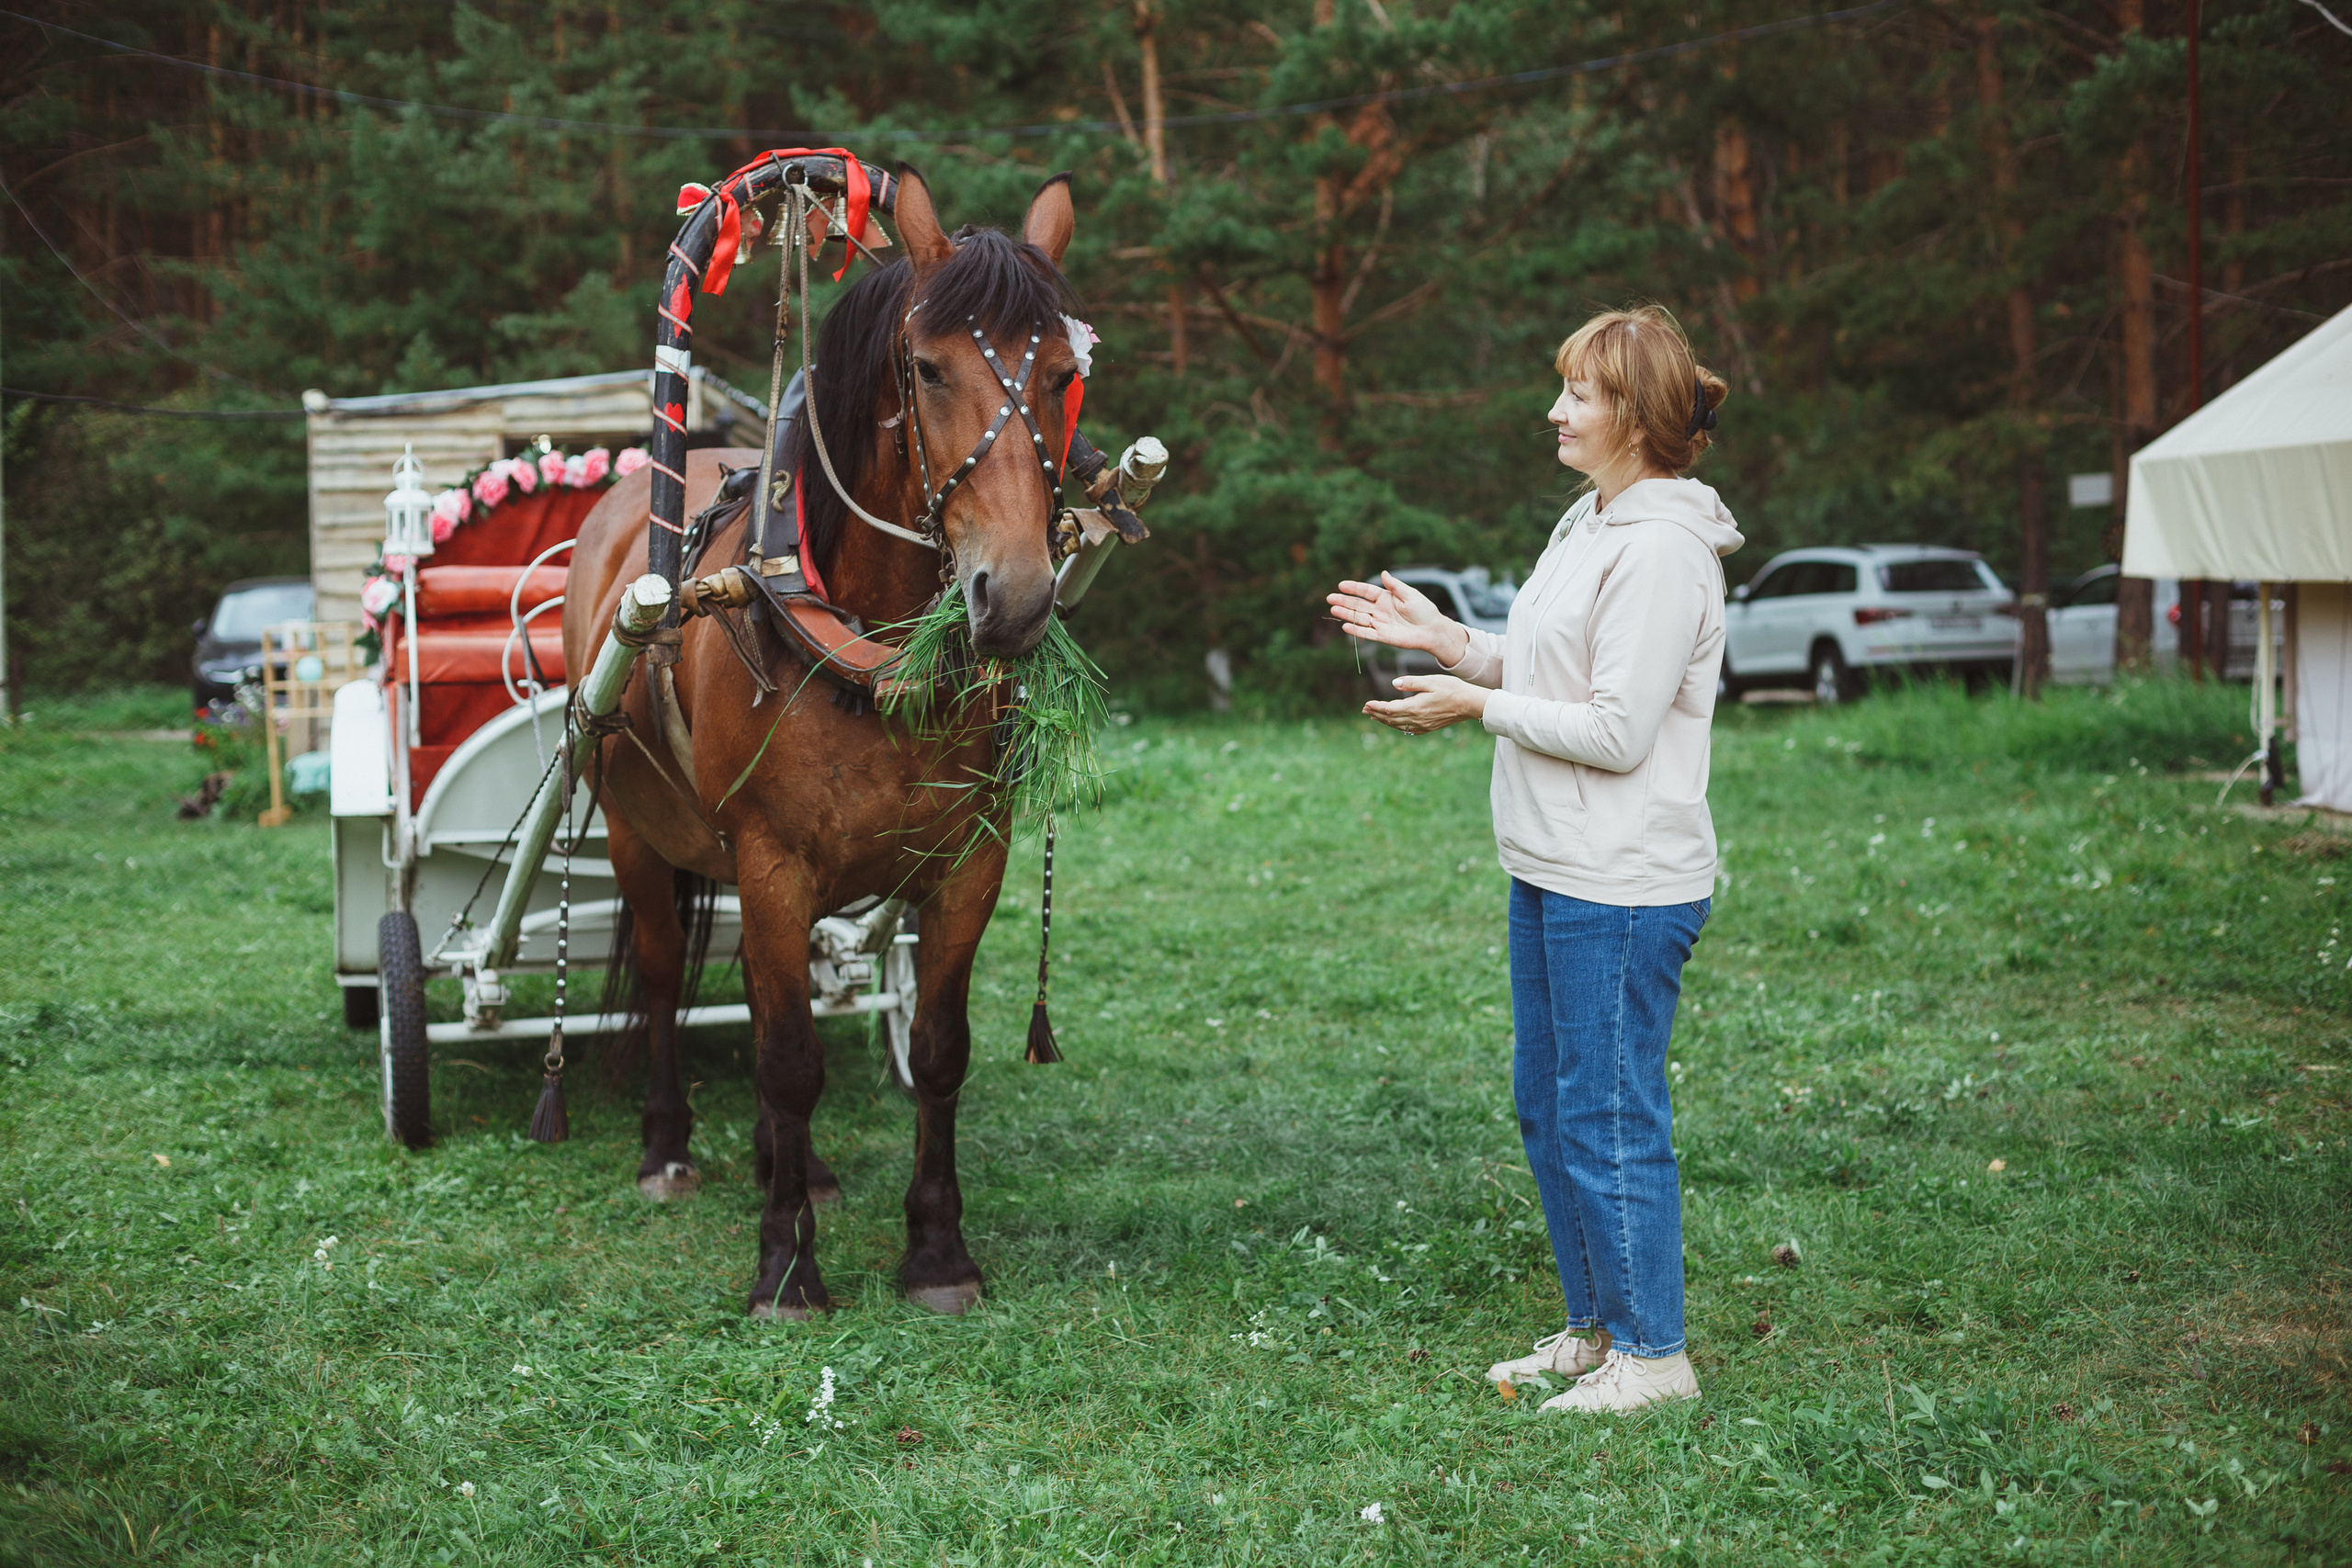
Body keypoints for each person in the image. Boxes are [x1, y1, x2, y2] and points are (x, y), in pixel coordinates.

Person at [1328, 304, 1741, 1414]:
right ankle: (1596, 1331)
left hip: (1623, 883)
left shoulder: (1661, 551)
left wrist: (1474, 706)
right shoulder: (1591, 520)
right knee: (1551, 1109)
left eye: (1581, 395)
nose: (1555, 411)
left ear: (1636, 416)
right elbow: (1551, 664)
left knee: (1607, 1115)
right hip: (1553, 866)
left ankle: (1654, 1358)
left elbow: (1616, 729)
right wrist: (1450, 641)